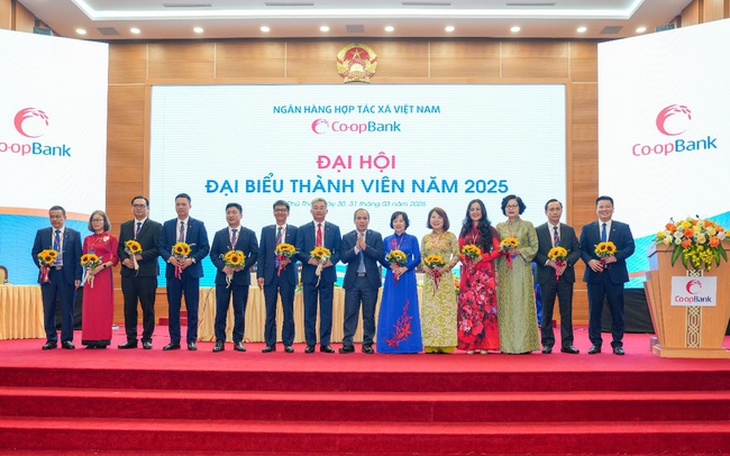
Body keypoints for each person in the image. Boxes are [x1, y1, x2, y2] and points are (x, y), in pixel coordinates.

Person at [580, 195, 635, 356]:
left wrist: (616, 257)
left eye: (607, 206)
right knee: (594, 311)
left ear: (613, 208)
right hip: (594, 276)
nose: (604, 209)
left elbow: (630, 247)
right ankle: (595, 343)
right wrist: (590, 261)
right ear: (596, 209)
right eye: (601, 207)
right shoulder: (588, 228)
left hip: (615, 276)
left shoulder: (623, 228)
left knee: (617, 311)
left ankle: (617, 343)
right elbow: (581, 249)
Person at [159, 193, 210, 351]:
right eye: (178, 204)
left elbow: (205, 248)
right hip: (172, 272)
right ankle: (174, 340)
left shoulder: (198, 225)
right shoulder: (167, 225)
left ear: (190, 206)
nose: (180, 207)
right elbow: (161, 247)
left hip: (191, 272)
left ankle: (191, 340)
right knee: (173, 307)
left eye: (184, 204)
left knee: (192, 307)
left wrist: (192, 259)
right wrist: (170, 258)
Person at [32, 205, 83, 350]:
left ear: (64, 217)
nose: (55, 219)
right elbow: (35, 252)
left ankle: (67, 339)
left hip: (67, 276)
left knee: (68, 308)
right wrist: (43, 265)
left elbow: (78, 257)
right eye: (52, 216)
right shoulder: (42, 233)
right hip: (49, 275)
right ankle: (51, 339)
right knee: (49, 308)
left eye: (58, 216)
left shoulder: (74, 234)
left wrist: (78, 276)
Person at [534, 199, 581, 354]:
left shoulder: (568, 230)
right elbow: (535, 252)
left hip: (565, 276)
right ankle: (547, 343)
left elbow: (577, 250)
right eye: (551, 209)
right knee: (546, 311)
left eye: (557, 209)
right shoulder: (538, 231)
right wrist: (548, 262)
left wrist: (567, 262)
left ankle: (567, 343)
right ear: (546, 212)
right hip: (546, 276)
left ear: (561, 211)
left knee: (566, 311)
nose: (555, 212)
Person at [210, 203, 258, 353]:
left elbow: (255, 254)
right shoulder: (219, 234)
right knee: (221, 310)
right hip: (222, 278)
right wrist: (223, 267)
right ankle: (220, 340)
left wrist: (243, 266)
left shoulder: (250, 234)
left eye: (234, 212)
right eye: (228, 212)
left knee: (240, 311)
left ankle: (238, 340)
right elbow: (213, 254)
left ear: (241, 215)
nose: (231, 215)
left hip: (241, 278)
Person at [495, 195, 540, 354]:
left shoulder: (528, 225)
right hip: (504, 269)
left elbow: (534, 247)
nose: (511, 208)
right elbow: (495, 250)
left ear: (520, 207)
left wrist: (519, 251)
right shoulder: (499, 227)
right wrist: (495, 270)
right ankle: (506, 345)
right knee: (506, 305)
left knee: (522, 304)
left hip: (521, 268)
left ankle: (524, 344)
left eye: (514, 205)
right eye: (508, 206)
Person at [295, 198, 341, 354]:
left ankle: (325, 343)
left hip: (327, 274)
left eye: (322, 208)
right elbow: (298, 251)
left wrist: (330, 262)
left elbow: (339, 252)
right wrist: (309, 259)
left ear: (326, 211)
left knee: (326, 310)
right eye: (316, 207)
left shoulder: (334, 229)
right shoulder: (303, 229)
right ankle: (310, 343)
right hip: (309, 274)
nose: (319, 210)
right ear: (311, 211)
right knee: (309, 310)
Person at [457, 199, 501, 354]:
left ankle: (485, 344)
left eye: (478, 209)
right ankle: (470, 344)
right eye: (472, 209)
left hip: (484, 274)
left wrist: (483, 257)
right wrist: (466, 259)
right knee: (469, 308)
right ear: (468, 212)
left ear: (483, 211)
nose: (475, 212)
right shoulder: (465, 230)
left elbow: (498, 250)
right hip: (468, 273)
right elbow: (459, 251)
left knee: (485, 307)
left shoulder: (490, 230)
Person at [117, 196, 161, 350]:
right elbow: (120, 248)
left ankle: (147, 338)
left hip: (147, 273)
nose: (138, 208)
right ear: (131, 208)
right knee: (129, 307)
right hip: (128, 273)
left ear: (148, 208)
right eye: (135, 205)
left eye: (142, 206)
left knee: (148, 307)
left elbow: (158, 249)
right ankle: (131, 338)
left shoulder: (156, 226)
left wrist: (140, 257)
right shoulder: (125, 226)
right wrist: (125, 260)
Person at [339, 208, 384, 354]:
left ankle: (367, 343)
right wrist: (356, 249)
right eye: (359, 218)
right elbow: (343, 258)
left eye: (364, 218)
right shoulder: (347, 237)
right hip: (353, 281)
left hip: (370, 282)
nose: (362, 221)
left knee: (368, 314)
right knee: (350, 313)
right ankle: (348, 343)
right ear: (354, 220)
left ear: (368, 220)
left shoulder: (376, 236)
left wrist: (366, 247)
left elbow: (380, 256)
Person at [377, 211, 423, 354]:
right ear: (392, 223)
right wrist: (390, 266)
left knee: (407, 306)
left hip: (407, 277)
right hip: (392, 278)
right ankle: (390, 343)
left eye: (401, 221)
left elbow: (417, 258)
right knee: (391, 306)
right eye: (395, 221)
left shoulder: (412, 239)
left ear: (406, 223)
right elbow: (381, 257)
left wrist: (405, 268)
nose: (398, 223)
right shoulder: (387, 240)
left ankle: (409, 345)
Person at [257, 200, 299, 353]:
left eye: (283, 210)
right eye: (277, 210)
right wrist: (260, 274)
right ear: (273, 212)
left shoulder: (295, 231)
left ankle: (288, 342)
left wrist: (290, 259)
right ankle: (270, 342)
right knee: (270, 310)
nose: (280, 212)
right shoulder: (266, 230)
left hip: (288, 275)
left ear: (288, 213)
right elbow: (262, 253)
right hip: (270, 275)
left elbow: (298, 252)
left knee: (288, 310)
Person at [420, 207, 459, 354]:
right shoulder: (425, 238)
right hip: (430, 279)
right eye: (433, 217)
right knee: (430, 310)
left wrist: (446, 267)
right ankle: (430, 344)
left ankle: (446, 344)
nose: (436, 220)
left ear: (444, 220)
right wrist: (425, 267)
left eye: (439, 217)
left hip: (445, 278)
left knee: (445, 310)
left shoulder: (450, 236)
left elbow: (457, 255)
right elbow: (422, 256)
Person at [81, 210, 119, 349]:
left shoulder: (111, 238)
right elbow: (83, 256)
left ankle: (102, 338)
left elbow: (115, 258)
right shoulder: (88, 239)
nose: (96, 222)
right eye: (93, 220)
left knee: (103, 306)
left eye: (99, 220)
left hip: (103, 275)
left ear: (104, 221)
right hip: (90, 275)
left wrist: (101, 267)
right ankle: (90, 338)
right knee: (90, 307)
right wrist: (88, 267)